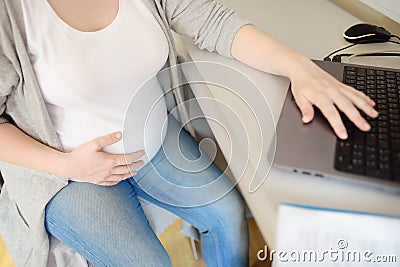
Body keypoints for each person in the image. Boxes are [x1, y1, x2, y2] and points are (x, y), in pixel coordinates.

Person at [0, 0, 378, 266]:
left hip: (151, 137)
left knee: (228, 216)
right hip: (65, 166)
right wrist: (66, 165)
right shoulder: (12, 14)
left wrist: (301, 69)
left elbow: (214, 21)